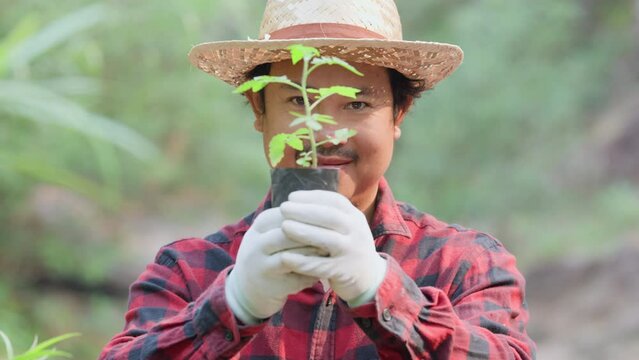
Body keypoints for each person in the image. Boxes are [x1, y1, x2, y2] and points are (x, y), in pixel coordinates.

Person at [100, 0, 535, 359]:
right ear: (259, 112)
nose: (325, 133)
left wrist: (380, 291)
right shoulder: (188, 272)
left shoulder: (463, 265)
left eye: (358, 105)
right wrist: (234, 304)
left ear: (398, 114)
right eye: (297, 100)